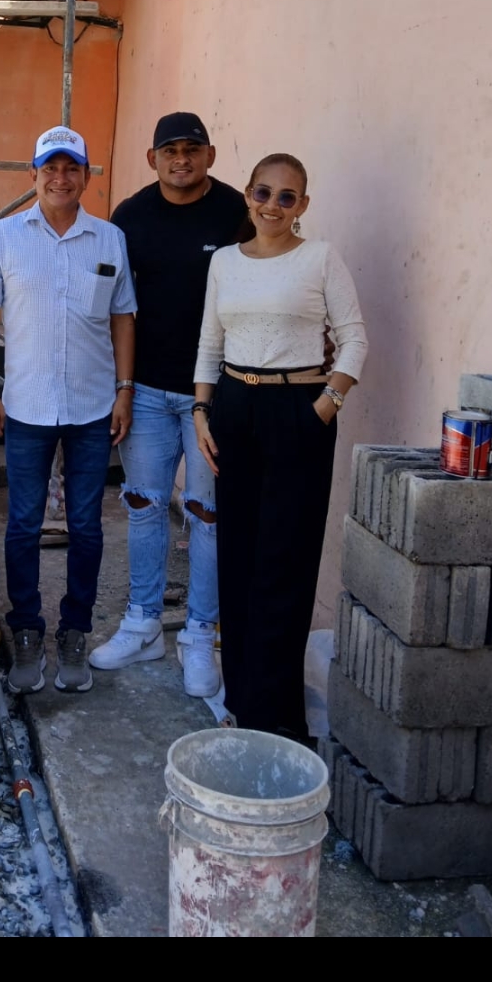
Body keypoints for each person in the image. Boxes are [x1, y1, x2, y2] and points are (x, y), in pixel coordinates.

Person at [192, 153, 367, 743]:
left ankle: (281, 717)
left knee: (285, 561)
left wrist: (325, 406)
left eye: (286, 196)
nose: (272, 205)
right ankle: (242, 702)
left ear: (302, 206)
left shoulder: (320, 259)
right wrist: (201, 411)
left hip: (299, 409)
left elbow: (354, 340)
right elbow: (209, 342)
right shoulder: (224, 262)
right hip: (233, 407)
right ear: (247, 194)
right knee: (239, 556)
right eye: (263, 192)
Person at [0, 125, 136, 697]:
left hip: (92, 405)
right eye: (50, 168)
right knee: (22, 523)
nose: (60, 178)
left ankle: (75, 631)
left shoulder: (108, 239)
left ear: (86, 176)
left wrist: (124, 390)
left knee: (86, 525)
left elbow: (123, 318)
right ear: (33, 175)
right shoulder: (5, 236)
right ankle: (27, 630)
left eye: (71, 168)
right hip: (27, 405)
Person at [91, 112, 245, 697]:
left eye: (192, 149)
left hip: (213, 394)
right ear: (152, 158)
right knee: (144, 506)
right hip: (148, 392)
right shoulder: (130, 217)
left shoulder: (235, 213)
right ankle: (143, 625)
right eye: (170, 150)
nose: (182, 159)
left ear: (210, 155)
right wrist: (121, 386)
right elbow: (115, 306)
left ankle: (200, 635)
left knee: (207, 516)